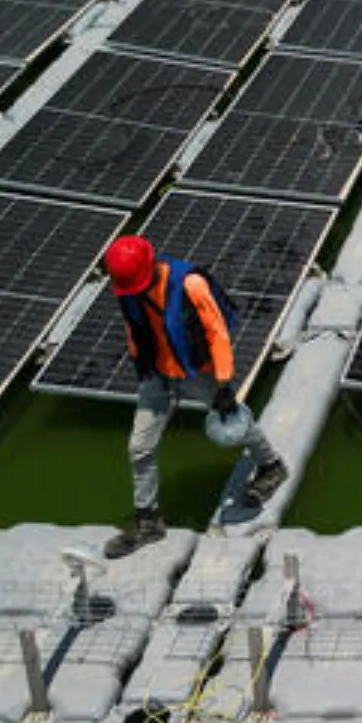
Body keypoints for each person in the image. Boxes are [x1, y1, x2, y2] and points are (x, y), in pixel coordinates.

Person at [101, 232, 289, 558]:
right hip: (157, 374)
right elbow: (133, 327)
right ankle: (148, 521)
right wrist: (140, 364)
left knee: (235, 421)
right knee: (139, 447)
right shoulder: (128, 290)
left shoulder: (189, 285)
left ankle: (271, 466)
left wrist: (224, 382)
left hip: (196, 372)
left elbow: (216, 331)